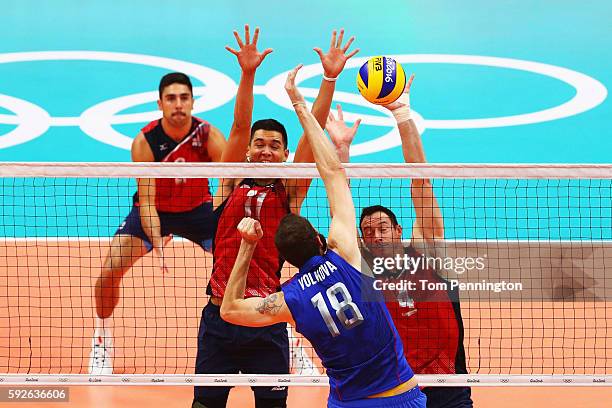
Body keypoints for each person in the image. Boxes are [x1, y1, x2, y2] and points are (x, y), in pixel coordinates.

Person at [220, 64, 427, 408]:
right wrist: (299, 102)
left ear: (285, 257)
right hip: (402, 398)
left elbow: (230, 310)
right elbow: (332, 172)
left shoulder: (289, 300)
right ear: (320, 241)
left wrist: (247, 247)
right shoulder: (346, 253)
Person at [192, 26, 358, 408]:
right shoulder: (230, 183)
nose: (266, 151)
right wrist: (247, 74)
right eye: (259, 144)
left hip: (265, 321)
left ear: (284, 154)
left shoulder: (290, 191)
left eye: (275, 146)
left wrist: (329, 78)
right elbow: (237, 125)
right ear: (248, 150)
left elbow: (311, 131)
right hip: (218, 319)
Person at [325, 78, 474, 407]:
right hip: (395, 389)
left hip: (448, 386)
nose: (376, 236)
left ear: (399, 230)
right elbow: (341, 213)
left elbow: (420, 180)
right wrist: (342, 154)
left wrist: (402, 114)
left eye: (383, 228)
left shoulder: (429, 255)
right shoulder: (363, 271)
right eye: (368, 231)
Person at [89, 72, 237, 375]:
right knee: (107, 273)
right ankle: (101, 337)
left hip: (200, 212)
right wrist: (156, 239)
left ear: (193, 102)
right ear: (160, 103)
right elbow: (146, 197)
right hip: (155, 211)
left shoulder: (208, 136)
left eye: (184, 98)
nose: (178, 104)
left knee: (250, 269)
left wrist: (226, 223)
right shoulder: (145, 142)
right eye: (171, 98)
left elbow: (228, 182)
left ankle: (286, 338)